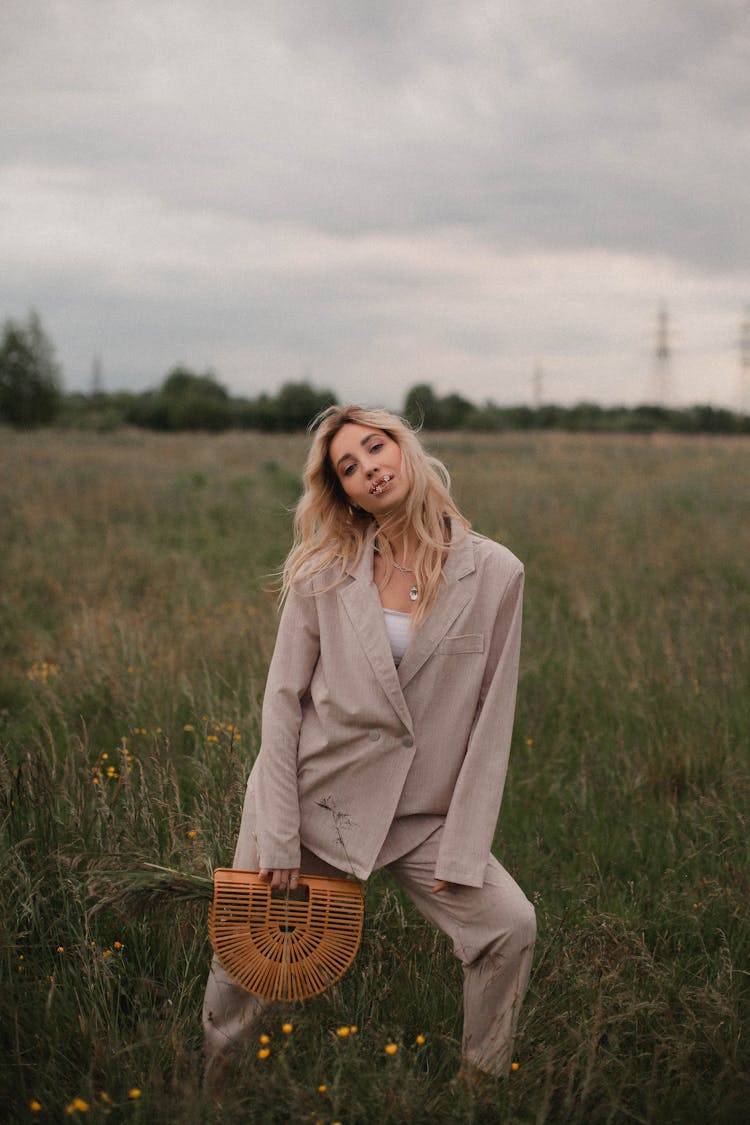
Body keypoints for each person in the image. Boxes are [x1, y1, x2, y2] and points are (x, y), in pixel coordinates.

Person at [203, 404, 535, 1082]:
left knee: (509, 924)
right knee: (244, 956)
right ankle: (213, 1086)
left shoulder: (498, 572)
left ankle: (482, 1083)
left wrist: (467, 844)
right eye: (348, 467)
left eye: (375, 447)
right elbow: (282, 703)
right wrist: (280, 833)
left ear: (405, 449)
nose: (368, 468)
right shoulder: (323, 571)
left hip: (421, 817)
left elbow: (491, 718)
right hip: (315, 799)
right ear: (343, 492)